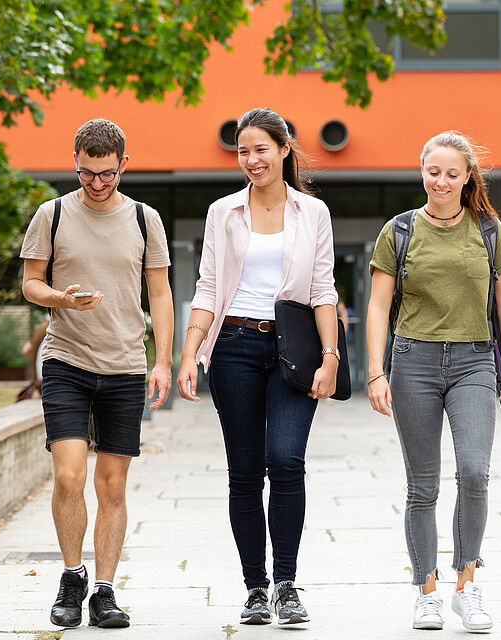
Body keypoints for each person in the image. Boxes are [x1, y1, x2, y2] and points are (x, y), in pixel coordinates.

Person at [176, 107, 339, 626]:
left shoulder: (313, 213)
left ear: (284, 148)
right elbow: (206, 285)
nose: (251, 160)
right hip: (234, 347)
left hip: (294, 349)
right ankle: (255, 587)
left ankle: (287, 584)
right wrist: (189, 352)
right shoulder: (222, 212)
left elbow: (322, 289)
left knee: (287, 461)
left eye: (260, 149)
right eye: (243, 151)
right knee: (244, 472)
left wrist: (331, 356)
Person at [365, 131, 501, 632]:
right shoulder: (399, 231)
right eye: (433, 171)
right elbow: (376, 305)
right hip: (412, 361)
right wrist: (375, 370)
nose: (441, 181)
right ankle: (427, 591)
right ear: (422, 172)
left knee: (475, 473)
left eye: (451, 173)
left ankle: (467, 584)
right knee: (422, 487)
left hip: (475, 362)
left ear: (466, 178)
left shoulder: (488, 230)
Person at [20, 118, 174, 629]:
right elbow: (30, 285)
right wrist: (62, 298)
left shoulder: (146, 220)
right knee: (68, 476)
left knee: (112, 486)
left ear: (124, 164)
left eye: (107, 174)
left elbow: (160, 294)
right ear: (76, 163)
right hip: (66, 361)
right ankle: (71, 576)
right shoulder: (53, 215)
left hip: (125, 366)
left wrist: (164, 360)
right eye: (88, 174)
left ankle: (105, 592)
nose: (98, 184)